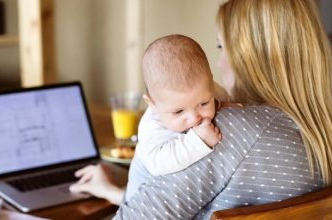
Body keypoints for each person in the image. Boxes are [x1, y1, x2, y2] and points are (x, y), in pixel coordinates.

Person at [74, 0, 332, 219]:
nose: (218, 64)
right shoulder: (330, 131)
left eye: (221, 47)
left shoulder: (228, 132)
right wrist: (114, 192)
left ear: (250, 57)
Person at [70, 34, 231, 202]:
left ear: (210, 83)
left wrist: (225, 104)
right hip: (141, 198)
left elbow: (222, 96)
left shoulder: (206, 88)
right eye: (178, 112)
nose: (194, 118)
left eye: (203, 103)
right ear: (152, 103)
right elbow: (158, 164)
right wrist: (199, 141)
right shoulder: (152, 126)